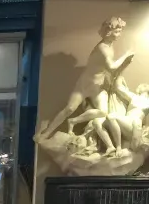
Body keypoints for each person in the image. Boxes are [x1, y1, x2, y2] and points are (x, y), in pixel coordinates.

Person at [41, 17, 133, 154]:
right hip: (85, 84)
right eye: (117, 31)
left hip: (98, 86)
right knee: (70, 108)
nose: (119, 34)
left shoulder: (109, 45)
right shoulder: (103, 48)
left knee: (103, 112)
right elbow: (112, 67)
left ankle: (73, 122)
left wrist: (125, 63)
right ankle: (46, 133)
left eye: (120, 31)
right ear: (109, 31)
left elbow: (110, 70)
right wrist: (125, 55)